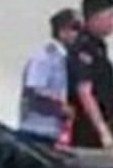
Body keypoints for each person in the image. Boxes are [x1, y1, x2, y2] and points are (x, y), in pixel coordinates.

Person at [18, 9, 79, 147]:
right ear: (62, 31)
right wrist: (62, 105)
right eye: (75, 28)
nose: (78, 34)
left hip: (53, 131)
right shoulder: (44, 56)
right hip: (36, 131)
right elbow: (35, 88)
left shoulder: (63, 58)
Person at [68, 0, 113, 149]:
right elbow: (84, 91)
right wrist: (102, 130)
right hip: (89, 129)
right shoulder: (84, 48)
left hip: (104, 120)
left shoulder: (98, 46)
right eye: (110, 16)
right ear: (95, 17)